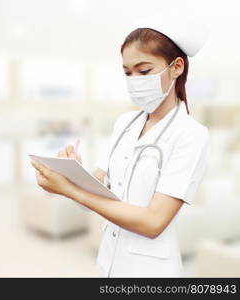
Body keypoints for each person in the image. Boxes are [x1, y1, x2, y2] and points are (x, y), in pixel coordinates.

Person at [30, 14, 211, 277]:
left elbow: (153, 223)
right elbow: (101, 192)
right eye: (127, 72)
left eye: (144, 70)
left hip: (151, 271)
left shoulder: (192, 134)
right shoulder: (124, 123)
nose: (135, 79)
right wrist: (73, 174)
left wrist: (70, 190)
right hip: (109, 263)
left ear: (177, 67)